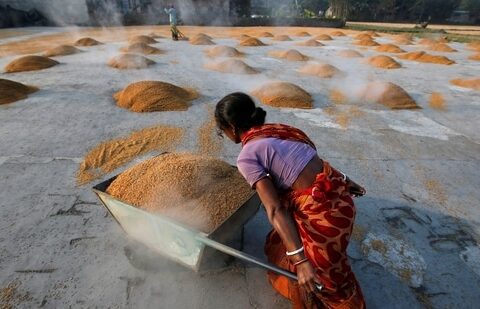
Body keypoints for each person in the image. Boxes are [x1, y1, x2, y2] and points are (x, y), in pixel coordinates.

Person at [214, 92, 366, 309]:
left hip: (323, 222)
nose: (224, 135)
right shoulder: (282, 132)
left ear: (232, 127)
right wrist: (345, 179)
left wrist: (302, 261)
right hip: (341, 204)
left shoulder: (247, 156)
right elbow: (316, 163)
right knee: (290, 246)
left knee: (326, 284)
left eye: (222, 131)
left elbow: (275, 209)